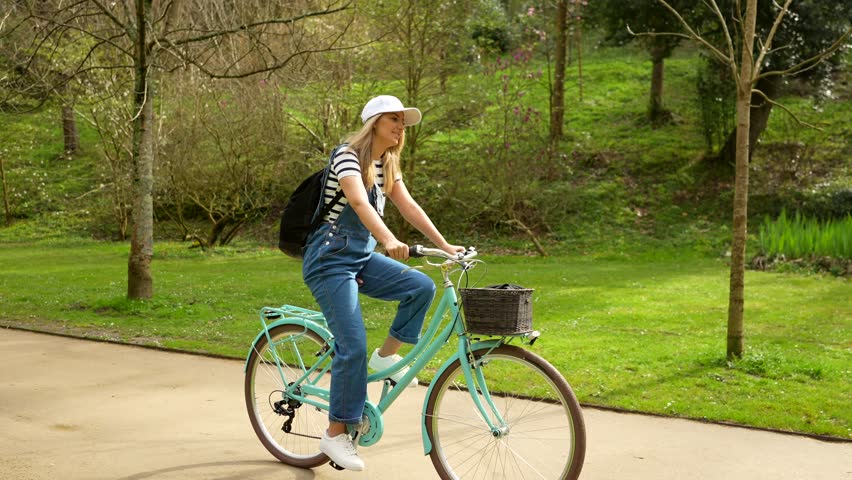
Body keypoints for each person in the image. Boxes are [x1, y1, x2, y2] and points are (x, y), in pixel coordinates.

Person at [302, 95, 465, 471]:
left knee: (420, 287)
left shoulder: (385, 163)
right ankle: (335, 432)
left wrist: (445, 246)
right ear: (373, 122)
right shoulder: (347, 155)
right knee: (352, 344)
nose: (400, 127)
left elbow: (409, 206)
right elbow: (358, 203)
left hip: (359, 257)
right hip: (329, 260)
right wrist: (390, 240)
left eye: (403, 122)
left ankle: (387, 356)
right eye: (394, 119)